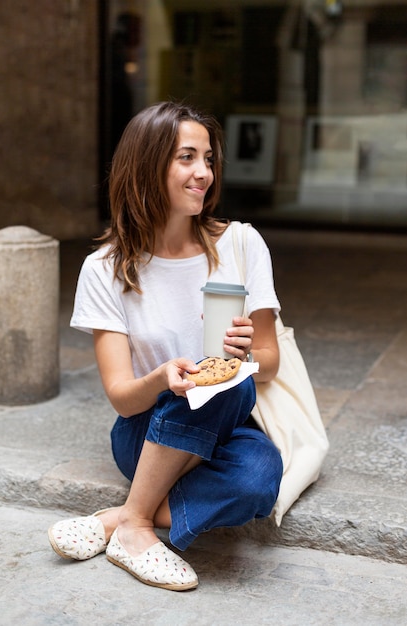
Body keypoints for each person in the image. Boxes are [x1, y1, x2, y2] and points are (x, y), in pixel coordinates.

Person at [48, 101, 283, 591]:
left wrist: (245, 357)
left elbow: (270, 361)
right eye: (187, 158)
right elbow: (120, 395)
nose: (204, 173)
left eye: (210, 160)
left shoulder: (241, 244)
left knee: (258, 471)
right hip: (146, 431)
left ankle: (125, 519)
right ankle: (139, 527)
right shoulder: (105, 268)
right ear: (148, 165)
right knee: (214, 383)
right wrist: (162, 379)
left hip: (225, 428)